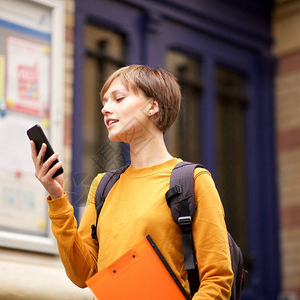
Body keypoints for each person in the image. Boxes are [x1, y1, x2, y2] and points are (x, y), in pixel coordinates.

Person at [30, 64, 233, 299]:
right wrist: (57, 198)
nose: (106, 109)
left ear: (152, 106)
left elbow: (217, 280)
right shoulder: (103, 186)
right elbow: (82, 274)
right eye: (104, 102)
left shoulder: (194, 181)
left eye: (118, 99)